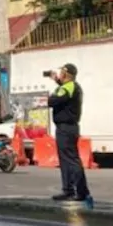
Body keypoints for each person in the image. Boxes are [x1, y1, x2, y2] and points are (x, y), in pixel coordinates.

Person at [48, 63, 91, 203]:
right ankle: (68, 190)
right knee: (66, 161)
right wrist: (56, 80)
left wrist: (56, 87)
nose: (59, 74)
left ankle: (81, 191)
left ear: (66, 74)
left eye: (61, 72)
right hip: (67, 127)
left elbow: (53, 100)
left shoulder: (68, 87)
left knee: (71, 161)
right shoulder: (70, 86)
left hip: (66, 128)